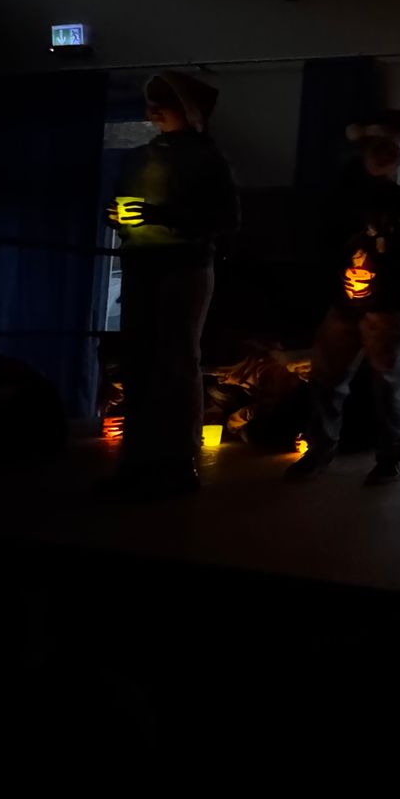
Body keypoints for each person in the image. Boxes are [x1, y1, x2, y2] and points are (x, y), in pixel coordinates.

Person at [103, 71, 239, 498]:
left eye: (165, 101)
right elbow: (121, 202)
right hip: (142, 264)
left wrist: (161, 216)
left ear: (189, 109)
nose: (154, 109)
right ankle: (139, 459)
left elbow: (226, 219)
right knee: (140, 363)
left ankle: (178, 461)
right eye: (152, 101)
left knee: (177, 362)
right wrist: (115, 216)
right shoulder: (140, 156)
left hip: (183, 268)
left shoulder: (206, 159)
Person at [288, 110, 400, 487]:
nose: (384, 155)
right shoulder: (341, 201)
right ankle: (322, 449)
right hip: (344, 305)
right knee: (327, 379)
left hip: (382, 309)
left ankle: (388, 453)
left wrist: (389, 292)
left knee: (385, 381)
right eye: (378, 147)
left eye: (391, 150)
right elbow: (320, 246)